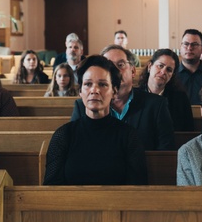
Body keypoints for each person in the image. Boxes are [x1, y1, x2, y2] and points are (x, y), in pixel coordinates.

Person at [44, 55, 147, 185]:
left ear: (114, 92)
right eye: (88, 84)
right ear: (80, 91)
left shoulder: (129, 136)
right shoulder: (64, 135)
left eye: (103, 84)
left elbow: (138, 189)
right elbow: (51, 189)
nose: (94, 90)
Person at [72, 45, 175, 150]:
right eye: (108, 66)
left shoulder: (156, 105)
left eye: (120, 65)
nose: (115, 71)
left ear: (133, 71)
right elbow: (75, 147)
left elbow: (166, 151)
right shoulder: (82, 106)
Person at [137, 49, 193, 131]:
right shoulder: (135, 96)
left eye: (169, 70)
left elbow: (187, 132)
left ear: (172, 75)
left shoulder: (180, 99)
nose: (163, 72)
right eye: (160, 66)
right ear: (149, 67)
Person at [177, 29, 202, 105]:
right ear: (180, 47)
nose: (189, 48)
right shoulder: (171, 75)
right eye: (186, 44)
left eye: (194, 44)